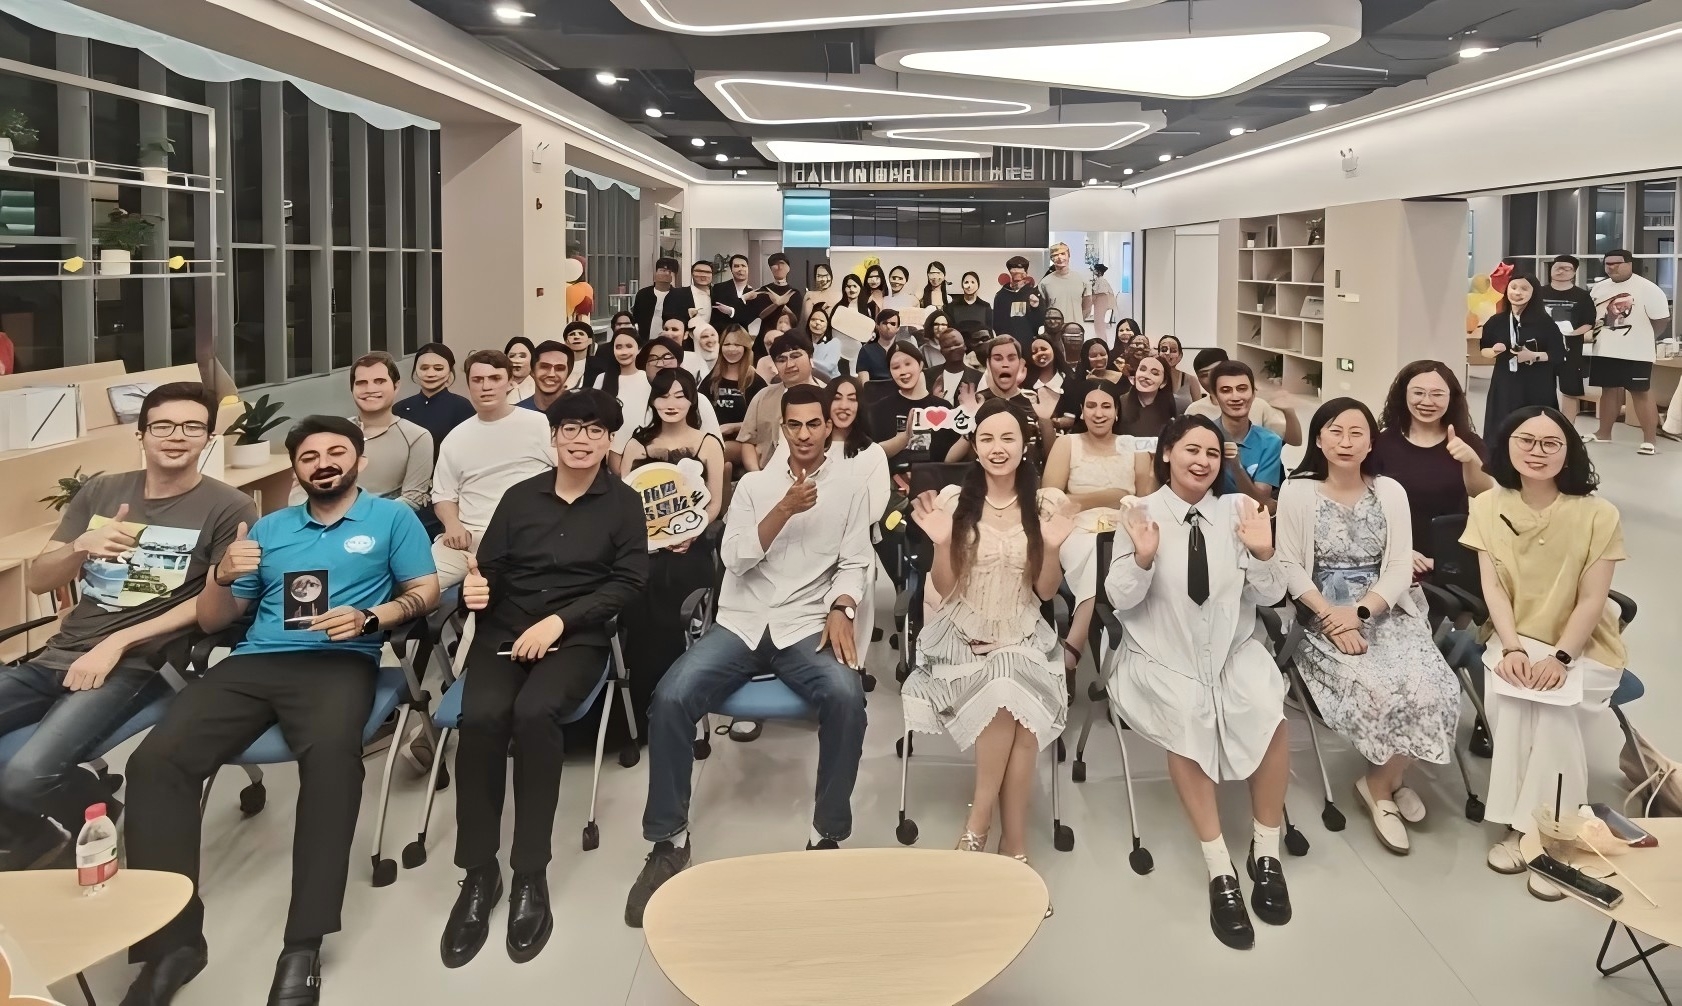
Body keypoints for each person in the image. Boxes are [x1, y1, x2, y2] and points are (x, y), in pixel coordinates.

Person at [121, 416, 439, 1006]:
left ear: (360, 461)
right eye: (309, 456)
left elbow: (425, 592)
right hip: (254, 661)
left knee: (332, 765)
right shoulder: (268, 527)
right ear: (296, 469)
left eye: (336, 452)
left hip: (339, 660)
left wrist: (372, 617)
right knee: (154, 763)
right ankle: (171, 945)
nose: (323, 463)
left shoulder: (392, 519)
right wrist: (221, 576)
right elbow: (216, 620)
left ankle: (303, 943)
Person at [623, 384, 871, 927]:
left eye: (813, 424)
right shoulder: (756, 486)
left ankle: (826, 836)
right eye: (794, 424)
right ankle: (669, 841)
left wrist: (843, 606)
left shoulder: (851, 487)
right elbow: (734, 558)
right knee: (670, 697)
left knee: (846, 696)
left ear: (829, 426)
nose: (803, 434)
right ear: (782, 427)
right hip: (741, 622)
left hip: (804, 624)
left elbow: (856, 562)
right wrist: (783, 509)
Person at [0, 385, 254, 872]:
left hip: (138, 664)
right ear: (141, 434)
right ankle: (30, 835)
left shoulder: (229, 506)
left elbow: (214, 606)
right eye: (163, 425)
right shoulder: (101, 491)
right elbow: (38, 580)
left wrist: (118, 641)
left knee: (24, 776)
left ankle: (99, 813)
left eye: (192, 426)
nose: (176, 436)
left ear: (208, 437)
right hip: (59, 653)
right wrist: (81, 545)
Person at [442, 389, 647, 968]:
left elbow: (629, 582)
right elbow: (492, 569)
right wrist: (475, 590)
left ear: (609, 440)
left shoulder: (624, 503)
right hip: (506, 630)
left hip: (575, 635)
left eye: (595, 431)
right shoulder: (520, 496)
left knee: (535, 714)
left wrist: (560, 621)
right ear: (553, 436)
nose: (582, 440)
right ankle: (478, 873)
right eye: (571, 429)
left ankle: (530, 871)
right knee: (480, 718)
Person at [1104, 415, 1291, 950]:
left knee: (1267, 705)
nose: (1203, 461)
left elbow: (1272, 595)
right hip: (1164, 651)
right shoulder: (1139, 512)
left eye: (1212, 452)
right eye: (1191, 449)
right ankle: (1219, 868)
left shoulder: (1240, 511)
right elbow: (1119, 598)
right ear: (1167, 453)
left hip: (1230, 646)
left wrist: (1263, 552)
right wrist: (1142, 559)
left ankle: (1266, 851)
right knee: (1186, 715)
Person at [1276, 399, 1460, 856]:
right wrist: (1331, 617)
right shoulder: (1298, 491)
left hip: (1384, 610)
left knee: (1435, 687)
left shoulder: (1389, 490)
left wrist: (1359, 612)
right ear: (1319, 439)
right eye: (1335, 431)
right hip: (1321, 614)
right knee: (1376, 689)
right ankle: (1390, 784)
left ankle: (1380, 783)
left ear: (1371, 442)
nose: (1346, 442)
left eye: (1356, 433)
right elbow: (1290, 566)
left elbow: (1398, 566)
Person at [902, 399, 1073, 878]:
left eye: (1007, 438)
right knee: (1007, 692)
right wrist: (941, 544)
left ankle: (984, 829)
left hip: (1022, 631)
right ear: (975, 447)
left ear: (1024, 445)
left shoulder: (1044, 504)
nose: (998, 448)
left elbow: (1045, 592)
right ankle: (1006, 840)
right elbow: (945, 589)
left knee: (1014, 691)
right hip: (961, 634)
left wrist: (1052, 549)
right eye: (987, 439)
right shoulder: (955, 501)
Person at [1465, 407, 1627, 901]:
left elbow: (1593, 600)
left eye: (1550, 443)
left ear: (1568, 451)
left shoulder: (1598, 514)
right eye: (1526, 440)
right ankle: (1532, 830)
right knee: (1516, 702)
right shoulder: (1487, 505)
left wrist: (1559, 659)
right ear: (1507, 446)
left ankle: (1546, 837)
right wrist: (1513, 647)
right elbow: (1493, 589)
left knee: (1552, 711)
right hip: (1513, 638)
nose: (1537, 452)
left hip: (1583, 647)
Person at [616, 371, 727, 728]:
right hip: (642, 549)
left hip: (688, 546)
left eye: (680, 396)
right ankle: (639, 707)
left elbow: (715, 502)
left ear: (692, 400)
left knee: (675, 587)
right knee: (635, 593)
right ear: (653, 400)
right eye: (664, 396)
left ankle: (676, 699)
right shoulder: (637, 445)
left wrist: (692, 532)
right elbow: (625, 504)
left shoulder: (707, 443)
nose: (671, 403)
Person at [1042, 379, 1156, 680]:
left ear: (1117, 412)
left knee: (1114, 550)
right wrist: (1111, 496)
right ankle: (1077, 645)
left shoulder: (1133, 446)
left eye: (1106, 406)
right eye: (1091, 406)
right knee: (1098, 551)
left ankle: (1074, 653)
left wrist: (1116, 498)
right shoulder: (1067, 444)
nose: (1099, 413)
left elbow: (1145, 500)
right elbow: (1052, 500)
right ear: (1081, 410)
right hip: (1077, 529)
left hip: (1125, 527)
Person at [433, 351, 555, 589]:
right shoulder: (455, 438)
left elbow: (568, 475)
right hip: (468, 538)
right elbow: (443, 495)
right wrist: (452, 525)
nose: (486, 387)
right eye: (477, 380)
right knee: (420, 584)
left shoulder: (538, 424)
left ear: (510, 382)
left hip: (526, 537)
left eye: (495, 378)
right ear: (468, 385)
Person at [1373, 361, 1492, 572]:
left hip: (1452, 556)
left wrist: (1471, 460)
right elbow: (1366, 506)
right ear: (1403, 394)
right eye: (1418, 393)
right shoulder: (1382, 443)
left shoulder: (1468, 442)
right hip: (1393, 555)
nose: (1427, 401)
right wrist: (1398, 551)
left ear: (1451, 397)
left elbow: (1484, 493)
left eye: (1437, 394)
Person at [290, 353, 433, 512]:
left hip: (386, 521)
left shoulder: (417, 437)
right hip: (322, 519)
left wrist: (356, 518)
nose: (370, 389)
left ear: (396, 385)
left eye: (379, 381)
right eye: (361, 383)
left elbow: (412, 499)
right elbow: (300, 491)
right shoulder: (330, 433)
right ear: (352, 388)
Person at [1587, 248, 1669, 453]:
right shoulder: (1598, 288)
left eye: (1617, 263)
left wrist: (1643, 338)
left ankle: (1650, 440)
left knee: (1640, 392)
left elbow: (1661, 321)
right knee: (1608, 390)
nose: (1611, 267)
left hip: (1636, 352)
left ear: (1629, 264)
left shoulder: (1648, 288)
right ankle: (1603, 433)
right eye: (1608, 264)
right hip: (1604, 349)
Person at [948, 336, 1057, 470]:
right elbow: (950, 461)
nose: (1005, 364)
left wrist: (1045, 421)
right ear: (988, 364)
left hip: (1028, 478)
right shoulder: (974, 401)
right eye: (998, 359)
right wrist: (972, 420)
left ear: (1020, 364)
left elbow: (1053, 460)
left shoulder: (1034, 401)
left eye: (1011, 358)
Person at [1481, 273, 1565, 436]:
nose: (1517, 292)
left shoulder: (1545, 323)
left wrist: (1533, 356)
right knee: (1502, 424)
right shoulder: (1496, 321)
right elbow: (1484, 349)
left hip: (1537, 384)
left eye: (1524, 289)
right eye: (1513, 287)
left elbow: (1558, 354)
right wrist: (1493, 351)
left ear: (1534, 293)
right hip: (1505, 382)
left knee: (1534, 426)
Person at [1200, 361, 1284, 510]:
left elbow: (1260, 502)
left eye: (1242, 389)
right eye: (1226, 390)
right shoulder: (1201, 435)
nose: (1235, 397)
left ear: (1253, 393)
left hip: (1250, 518)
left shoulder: (1270, 442)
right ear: (1215, 396)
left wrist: (1236, 467)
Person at [738, 333, 822, 472]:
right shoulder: (763, 396)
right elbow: (747, 441)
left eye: (795, 356)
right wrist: (756, 475)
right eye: (781, 360)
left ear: (810, 357)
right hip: (767, 472)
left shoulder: (830, 395)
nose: (789, 365)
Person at [1187, 348, 1302, 447]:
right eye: (1204, 375)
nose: (1211, 378)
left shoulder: (1258, 405)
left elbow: (1295, 441)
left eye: (1216, 371)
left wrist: (1289, 412)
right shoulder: (1195, 410)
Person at [870, 342, 957, 471]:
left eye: (908, 364)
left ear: (920, 364)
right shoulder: (879, 409)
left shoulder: (943, 408)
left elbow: (951, 458)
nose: (903, 371)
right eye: (896, 367)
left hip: (935, 480)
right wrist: (904, 437)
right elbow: (871, 455)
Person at [1538, 255, 1596, 422]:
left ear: (1574, 272)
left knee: (1570, 391)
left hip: (1570, 349)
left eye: (1566, 268)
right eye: (1557, 267)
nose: (1561, 271)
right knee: (1541, 389)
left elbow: (1588, 322)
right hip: (1542, 349)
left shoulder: (1582, 296)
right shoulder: (1538, 292)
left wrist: (1570, 333)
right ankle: (1543, 425)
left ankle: (1567, 427)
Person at [701, 325, 766, 471]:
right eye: (727, 344)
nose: (731, 349)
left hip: (745, 444)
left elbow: (763, 423)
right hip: (712, 439)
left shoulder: (755, 381)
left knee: (717, 452)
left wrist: (732, 427)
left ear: (745, 348)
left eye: (737, 344)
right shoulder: (712, 379)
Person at [395, 342, 475, 460]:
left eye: (438, 368)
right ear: (415, 371)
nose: (430, 374)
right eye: (424, 368)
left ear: (449, 371)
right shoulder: (400, 408)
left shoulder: (462, 407)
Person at [748, 252, 803, 356]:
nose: (779, 267)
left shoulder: (795, 293)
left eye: (782, 263)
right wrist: (776, 304)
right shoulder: (763, 291)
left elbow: (795, 319)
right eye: (775, 264)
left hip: (787, 339)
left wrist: (782, 304)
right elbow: (761, 315)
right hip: (763, 340)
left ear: (788, 268)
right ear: (770, 268)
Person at [1117, 355, 1181, 439]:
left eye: (1155, 373)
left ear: (1164, 382)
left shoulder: (1172, 403)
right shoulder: (1121, 402)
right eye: (1142, 369)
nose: (1146, 376)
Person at [993, 255, 1045, 352]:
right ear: (1010, 273)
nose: (1018, 281)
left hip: (1028, 345)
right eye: (1014, 275)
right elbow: (996, 323)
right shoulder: (1001, 295)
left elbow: (1040, 321)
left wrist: (1036, 307)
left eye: (1021, 276)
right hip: (1007, 345)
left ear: (1026, 274)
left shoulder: (1034, 294)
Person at [515, 340, 572, 414]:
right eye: (544, 367)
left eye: (559, 368)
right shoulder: (517, 412)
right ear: (532, 371)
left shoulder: (580, 413)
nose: (551, 374)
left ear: (568, 374)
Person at [930, 325, 983, 403]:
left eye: (957, 344)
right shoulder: (928, 375)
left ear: (965, 346)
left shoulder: (979, 377)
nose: (952, 348)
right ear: (941, 351)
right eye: (947, 346)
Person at [632, 256, 680, 341]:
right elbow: (636, 318)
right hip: (645, 340)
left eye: (669, 272)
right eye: (662, 270)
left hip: (670, 341)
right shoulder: (643, 294)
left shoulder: (679, 296)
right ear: (656, 273)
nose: (666, 274)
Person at [1040, 242, 1090, 323]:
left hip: (1075, 328)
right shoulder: (1045, 283)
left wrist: (1077, 322)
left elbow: (1087, 308)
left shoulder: (1082, 280)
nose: (1059, 257)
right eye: (1055, 255)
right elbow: (1042, 309)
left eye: (1063, 254)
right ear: (1051, 258)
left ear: (1068, 255)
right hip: (1054, 328)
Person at [662, 260, 716, 333]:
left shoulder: (717, 295)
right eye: (699, 271)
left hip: (711, 337)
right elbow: (668, 318)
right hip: (685, 337)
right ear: (692, 274)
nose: (703, 275)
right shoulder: (677, 293)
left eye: (707, 272)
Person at [1157, 336, 1203, 411]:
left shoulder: (1191, 380)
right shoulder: (1152, 378)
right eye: (1164, 350)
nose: (1168, 353)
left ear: (1180, 356)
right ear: (1158, 354)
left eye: (1173, 350)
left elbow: (1199, 411)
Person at [855, 309, 902, 383]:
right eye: (884, 323)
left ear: (898, 328)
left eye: (893, 324)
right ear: (877, 326)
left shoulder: (903, 350)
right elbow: (865, 383)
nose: (888, 326)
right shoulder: (866, 350)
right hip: (874, 389)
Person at [1024, 334, 1068, 398]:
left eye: (1044, 349)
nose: (1039, 353)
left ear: (1053, 350)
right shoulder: (1026, 388)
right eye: (1034, 352)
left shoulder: (1069, 382)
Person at [562, 320, 596, 390]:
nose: (576, 337)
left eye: (581, 334)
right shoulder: (559, 365)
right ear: (566, 342)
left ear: (590, 340)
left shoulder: (599, 366)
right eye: (572, 334)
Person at [503, 337, 536, 404]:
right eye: (512, 356)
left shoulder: (538, 388)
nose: (516, 360)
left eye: (522, 356)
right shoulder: (498, 386)